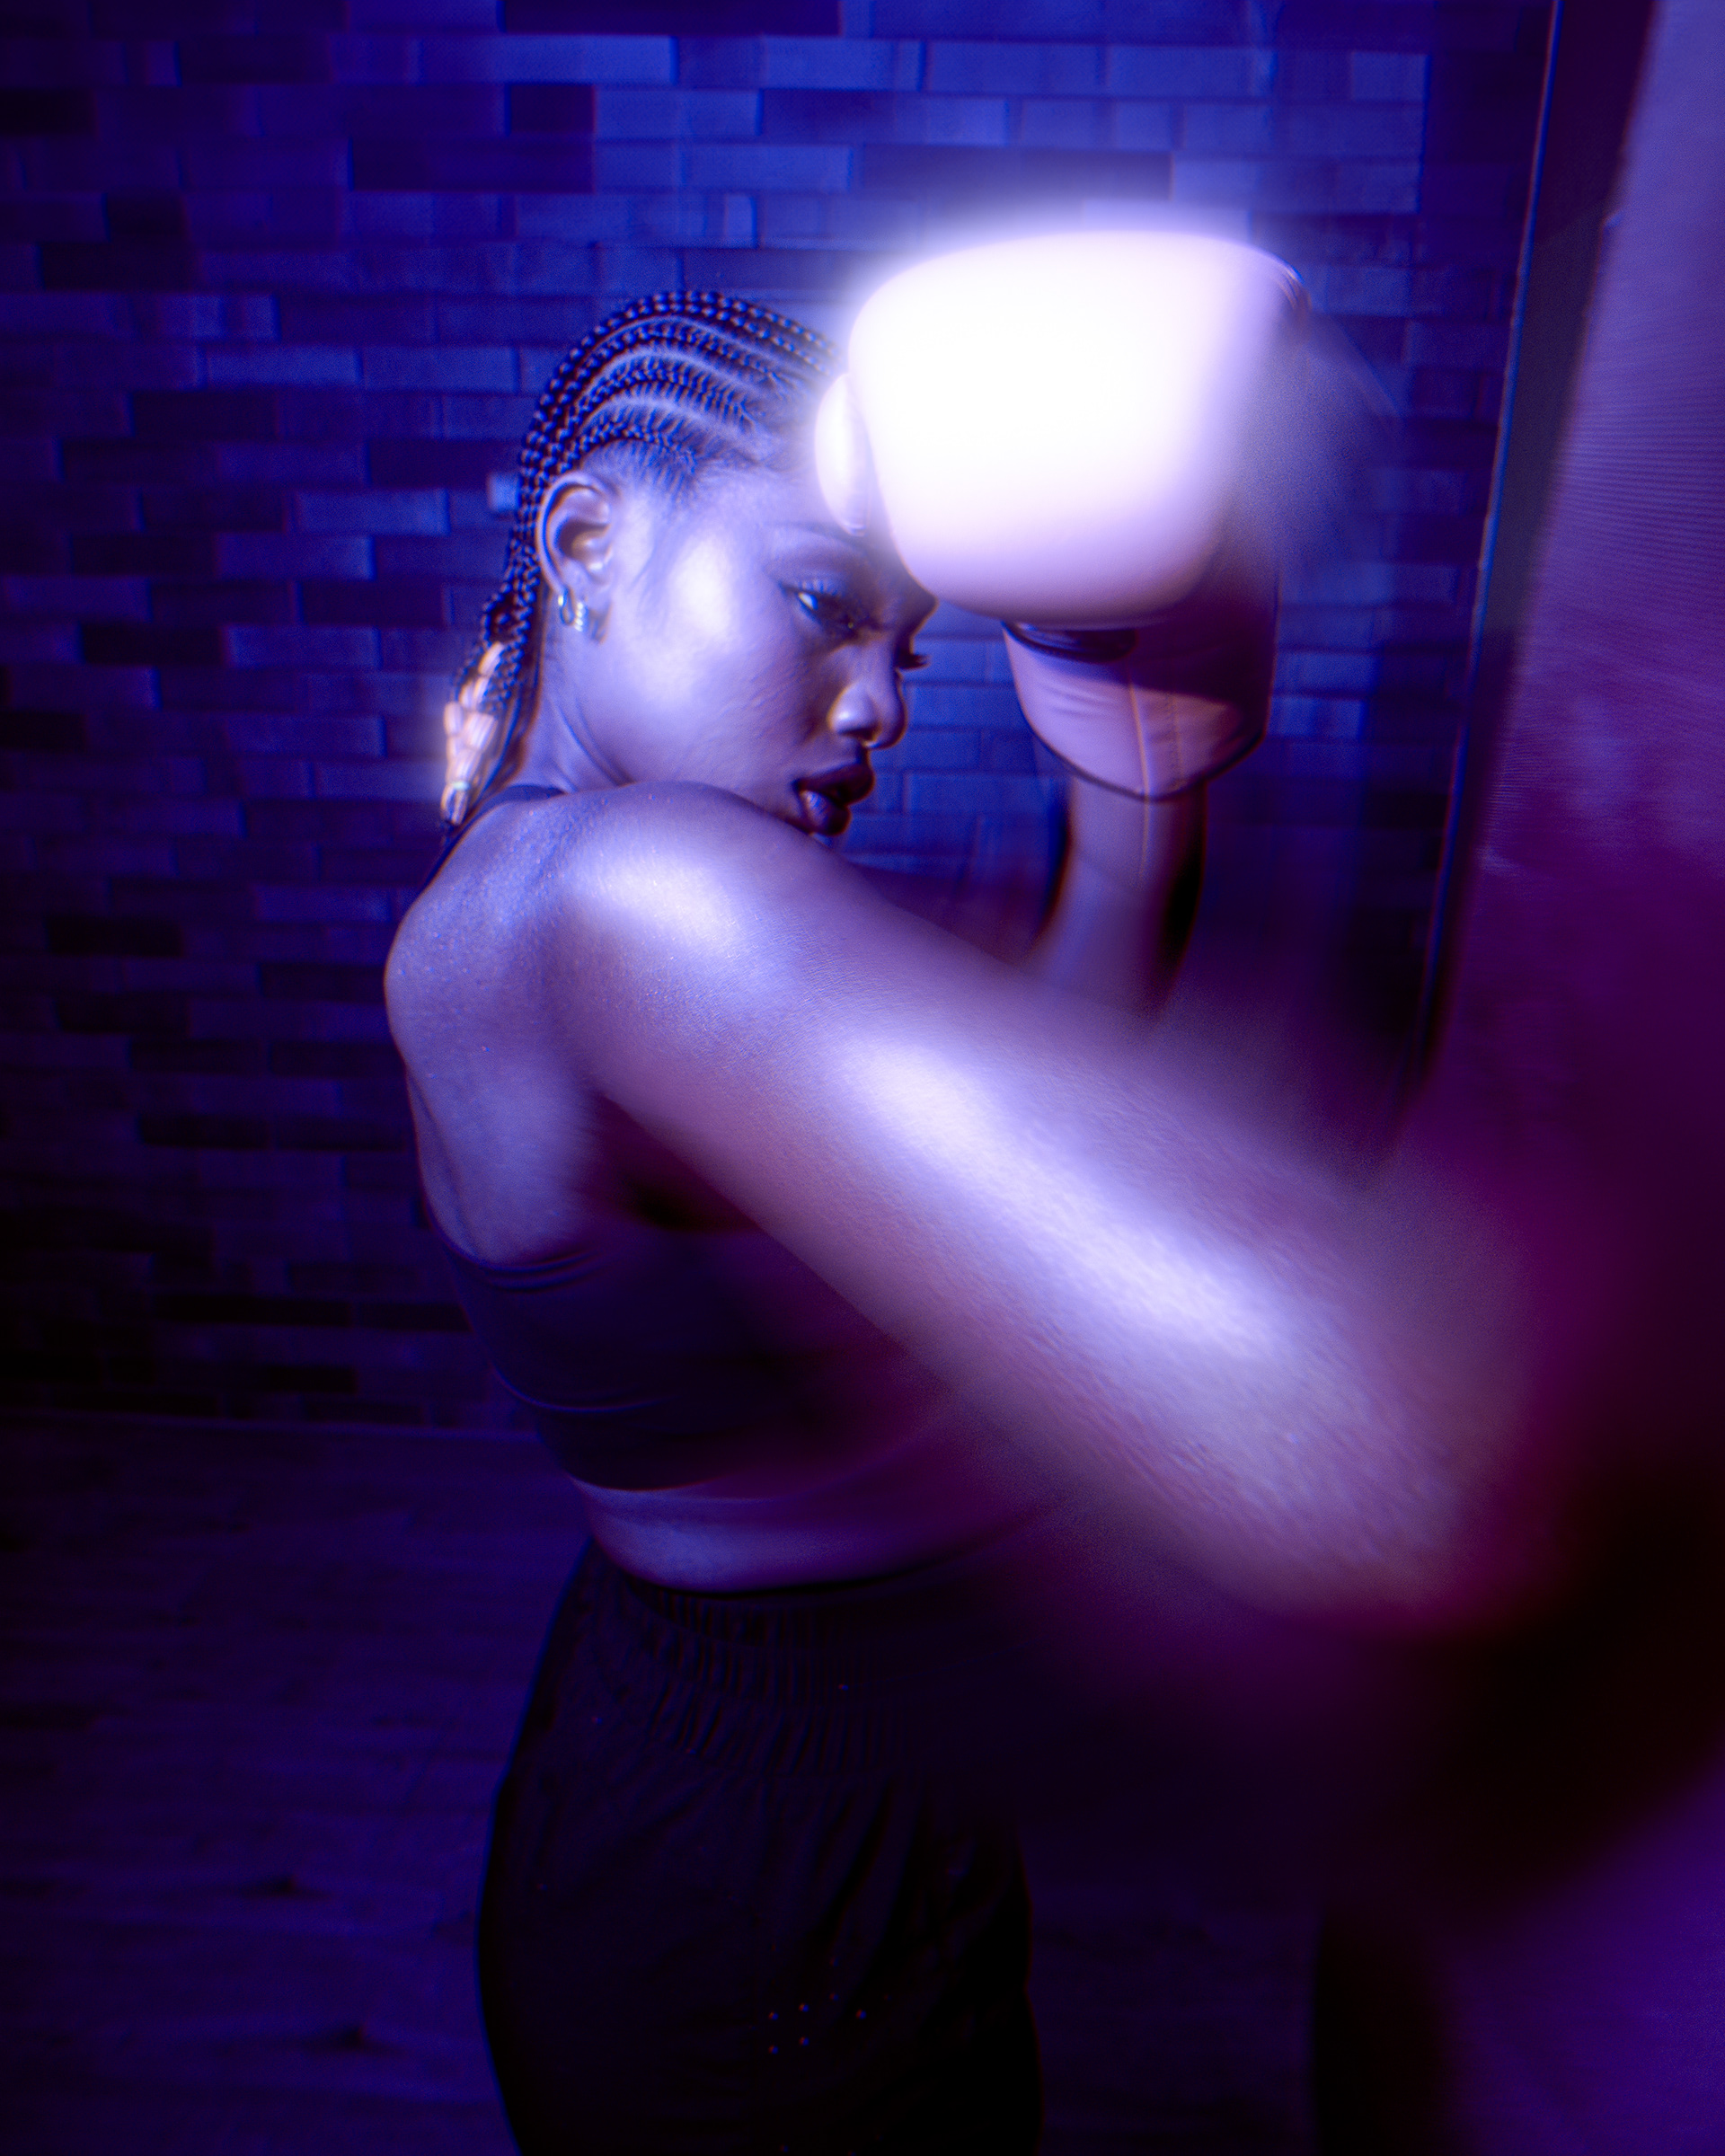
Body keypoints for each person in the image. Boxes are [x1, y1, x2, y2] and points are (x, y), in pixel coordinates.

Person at [385, 278, 1569, 2156]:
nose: (878, 706)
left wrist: (1137, 801)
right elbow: (1374, 1448)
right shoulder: (630, 892)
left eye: (908, 648)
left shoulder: (529, 900)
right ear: (590, 540)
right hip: (754, 1875)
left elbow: (977, 1238)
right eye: (820, 603)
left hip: (740, 1766)